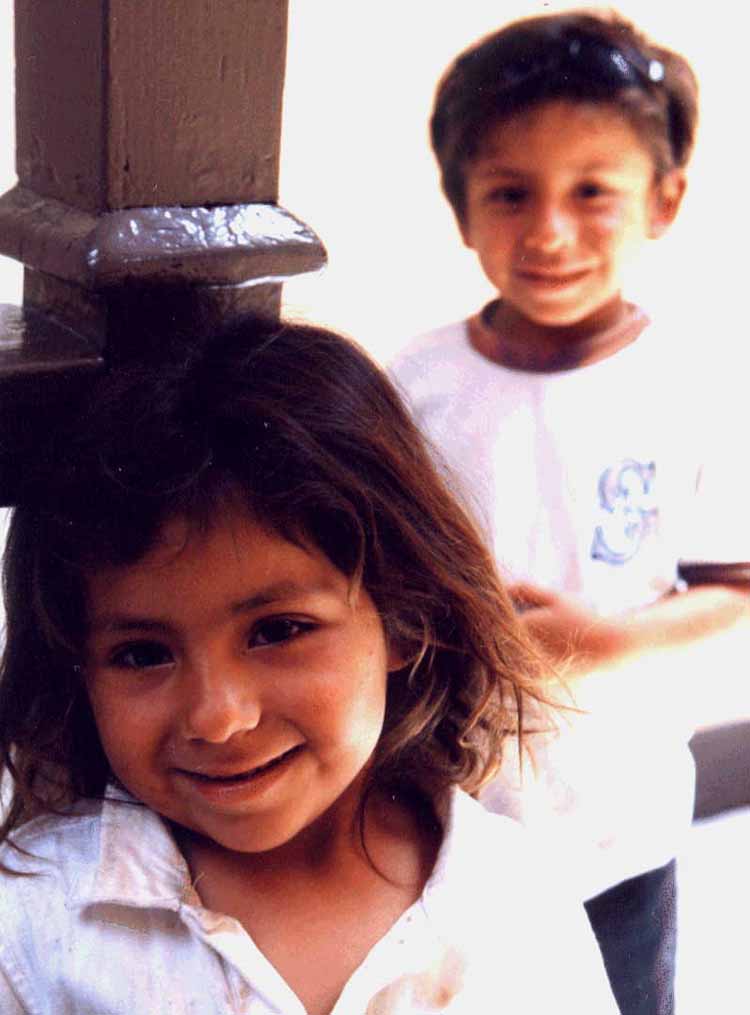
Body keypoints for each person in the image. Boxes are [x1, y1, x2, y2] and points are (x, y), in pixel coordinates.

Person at [0, 315, 618, 1013]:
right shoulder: (34, 922)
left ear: (405, 616)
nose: (219, 717)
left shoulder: (515, 906)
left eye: (278, 631)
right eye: (143, 654)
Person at [389, 11, 750, 1015]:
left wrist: (602, 639)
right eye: (511, 193)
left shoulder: (694, 386)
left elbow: (735, 589)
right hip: (448, 817)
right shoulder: (416, 384)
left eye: (592, 191)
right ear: (463, 208)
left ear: (663, 200)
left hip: (617, 825)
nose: (548, 232)